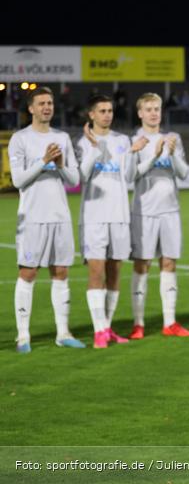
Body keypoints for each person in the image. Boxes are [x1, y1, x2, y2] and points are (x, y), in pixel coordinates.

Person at [10, 87, 84, 353]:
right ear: (30, 108)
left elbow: (75, 181)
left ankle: (63, 333)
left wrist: (61, 164)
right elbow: (18, 180)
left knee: (61, 272)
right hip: (32, 217)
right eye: (41, 103)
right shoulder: (20, 139)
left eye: (50, 103)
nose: (47, 107)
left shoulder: (62, 137)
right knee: (28, 272)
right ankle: (23, 337)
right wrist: (43, 161)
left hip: (60, 217)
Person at [128, 93, 189, 339]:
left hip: (170, 212)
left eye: (157, 108)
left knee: (169, 264)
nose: (154, 113)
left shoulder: (172, 138)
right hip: (144, 212)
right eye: (149, 109)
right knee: (141, 265)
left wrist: (173, 153)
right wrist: (153, 154)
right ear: (140, 113)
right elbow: (131, 175)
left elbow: (184, 173)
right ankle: (139, 323)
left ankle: (170, 322)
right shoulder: (134, 141)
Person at [77, 93, 138, 348]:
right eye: (101, 111)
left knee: (114, 275)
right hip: (94, 217)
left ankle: (108, 327)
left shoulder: (123, 140)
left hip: (120, 217)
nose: (106, 115)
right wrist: (94, 147)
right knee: (96, 272)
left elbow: (130, 177)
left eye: (109, 111)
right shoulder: (82, 142)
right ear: (91, 114)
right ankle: (98, 330)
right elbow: (82, 175)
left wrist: (133, 154)